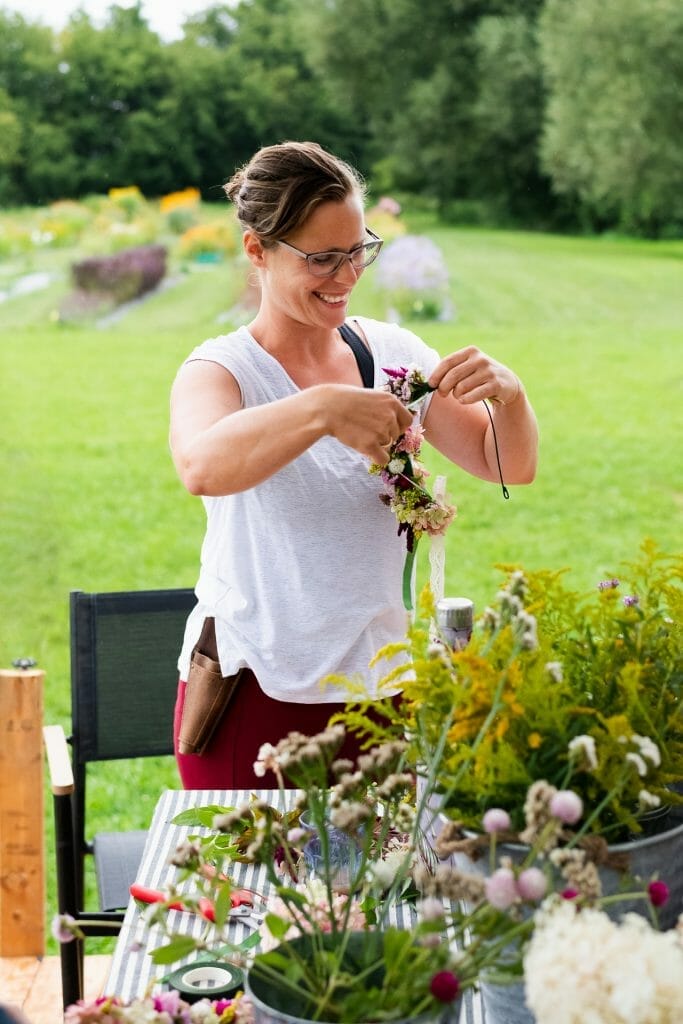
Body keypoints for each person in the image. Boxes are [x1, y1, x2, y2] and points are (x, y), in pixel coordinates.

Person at [170, 140, 538, 789]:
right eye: (321, 259)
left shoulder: (392, 354)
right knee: (258, 892)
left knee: (387, 889)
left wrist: (509, 395)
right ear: (257, 251)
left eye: (356, 251)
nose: (344, 277)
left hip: (382, 693)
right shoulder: (221, 370)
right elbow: (202, 465)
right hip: (256, 695)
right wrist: (320, 409)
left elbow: (501, 461)